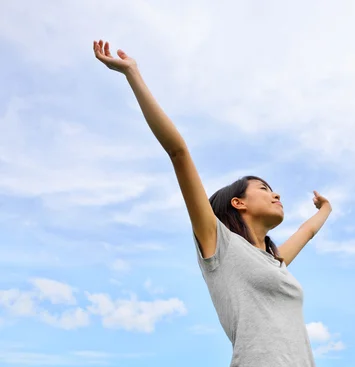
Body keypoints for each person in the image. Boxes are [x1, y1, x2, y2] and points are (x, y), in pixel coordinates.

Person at [93, 39, 332, 367]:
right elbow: (178, 152)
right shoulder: (220, 244)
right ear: (238, 203)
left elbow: (307, 232)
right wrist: (132, 73)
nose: (276, 194)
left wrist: (326, 209)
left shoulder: (274, 262)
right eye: (264, 188)